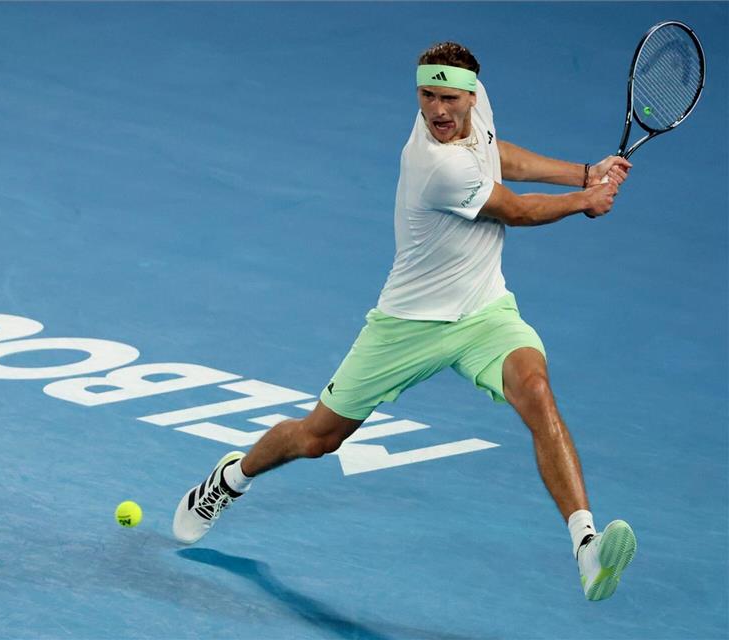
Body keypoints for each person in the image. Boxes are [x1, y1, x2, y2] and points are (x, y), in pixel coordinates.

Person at [172, 41, 636, 602]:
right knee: (318, 439)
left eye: (448, 98)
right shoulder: (435, 165)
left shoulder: (474, 114)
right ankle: (231, 478)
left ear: (472, 95)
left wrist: (584, 173)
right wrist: (584, 199)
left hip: (484, 311)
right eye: (426, 96)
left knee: (537, 392)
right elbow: (515, 209)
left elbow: (496, 154)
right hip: (408, 323)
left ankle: (587, 548)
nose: (437, 110)